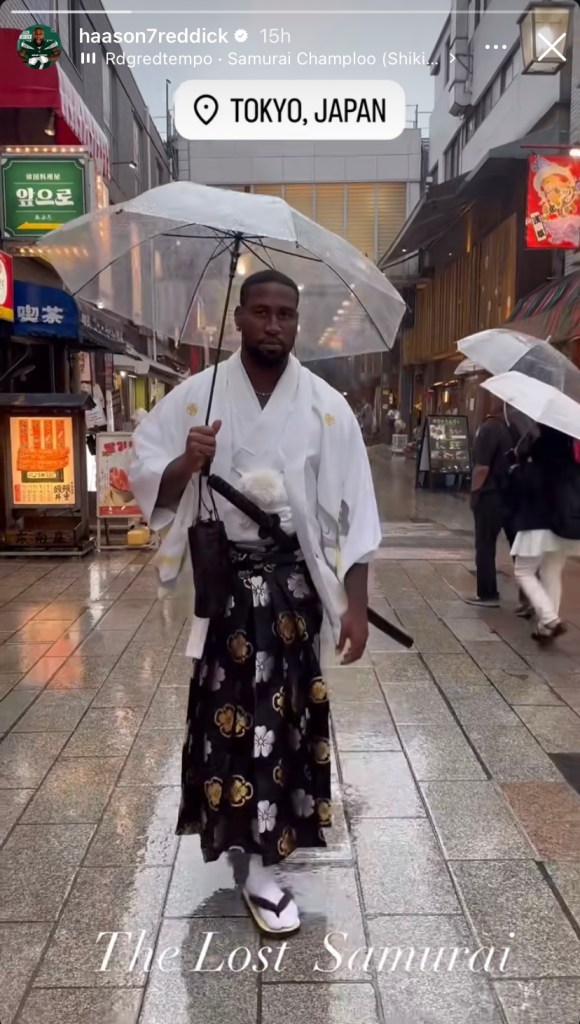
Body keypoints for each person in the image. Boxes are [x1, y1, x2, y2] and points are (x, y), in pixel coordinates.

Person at [129, 269, 381, 937]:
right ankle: (240, 838)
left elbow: (355, 510)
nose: (274, 324)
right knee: (224, 717)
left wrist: (354, 605)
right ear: (238, 318)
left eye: (286, 314)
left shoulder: (326, 406)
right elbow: (147, 475)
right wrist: (188, 460)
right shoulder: (196, 398)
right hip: (226, 589)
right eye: (262, 312)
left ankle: (268, 853)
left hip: (294, 592)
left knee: (284, 717)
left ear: (298, 324)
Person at [511, 425, 580, 642]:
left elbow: (526, 486)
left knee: (523, 571)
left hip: (538, 523)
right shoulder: (570, 456)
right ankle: (546, 628)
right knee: (552, 572)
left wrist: (519, 461)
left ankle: (550, 619)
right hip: (564, 525)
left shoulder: (539, 452)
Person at [467, 398, 522, 607]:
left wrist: (474, 493)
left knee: (485, 546)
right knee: (518, 547)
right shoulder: (515, 429)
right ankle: (531, 597)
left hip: (490, 497)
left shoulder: (489, 428)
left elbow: (482, 468)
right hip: (512, 495)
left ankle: (488, 594)